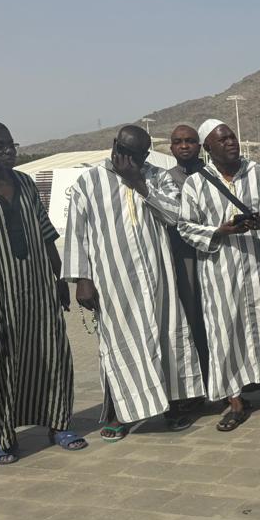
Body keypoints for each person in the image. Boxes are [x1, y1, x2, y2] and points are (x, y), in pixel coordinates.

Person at [64, 125, 204, 441]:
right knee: (117, 346)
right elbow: (77, 233)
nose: (128, 159)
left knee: (166, 338)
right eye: (124, 152)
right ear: (115, 146)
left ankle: (172, 406)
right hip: (113, 282)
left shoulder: (158, 176)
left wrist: (140, 183)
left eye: (137, 155)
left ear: (145, 155)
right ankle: (120, 415)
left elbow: (176, 216)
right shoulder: (89, 181)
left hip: (158, 278)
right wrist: (82, 279)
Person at [0, 120, 80, 464]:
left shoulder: (25, 183)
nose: (9, 151)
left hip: (37, 291)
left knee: (52, 355)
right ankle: (5, 437)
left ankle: (58, 424)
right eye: (0, 146)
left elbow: (46, 235)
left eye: (12, 144)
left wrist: (58, 280)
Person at [178, 119, 260, 430]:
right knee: (224, 331)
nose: (231, 142)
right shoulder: (195, 183)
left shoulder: (259, 173)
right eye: (222, 139)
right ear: (208, 148)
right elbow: (185, 227)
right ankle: (234, 402)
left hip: (259, 266)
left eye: (232, 136)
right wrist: (220, 230)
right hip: (220, 271)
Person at [166, 124, 210, 420]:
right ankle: (197, 387)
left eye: (190, 141)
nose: (184, 146)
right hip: (185, 260)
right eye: (179, 142)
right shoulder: (165, 180)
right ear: (171, 148)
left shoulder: (214, 174)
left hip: (216, 255)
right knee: (193, 320)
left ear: (200, 145)